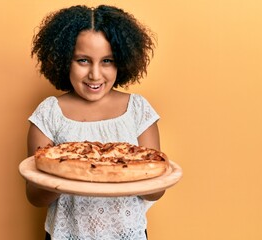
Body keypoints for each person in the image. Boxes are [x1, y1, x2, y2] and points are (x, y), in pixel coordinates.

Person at [26, 4, 165, 240]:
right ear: (62, 59)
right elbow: (34, 196)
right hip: (66, 235)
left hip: (127, 234)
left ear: (122, 60)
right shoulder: (49, 113)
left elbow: (157, 189)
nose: (95, 74)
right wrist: (62, 172)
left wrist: (127, 173)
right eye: (83, 60)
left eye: (107, 61)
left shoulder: (137, 110)